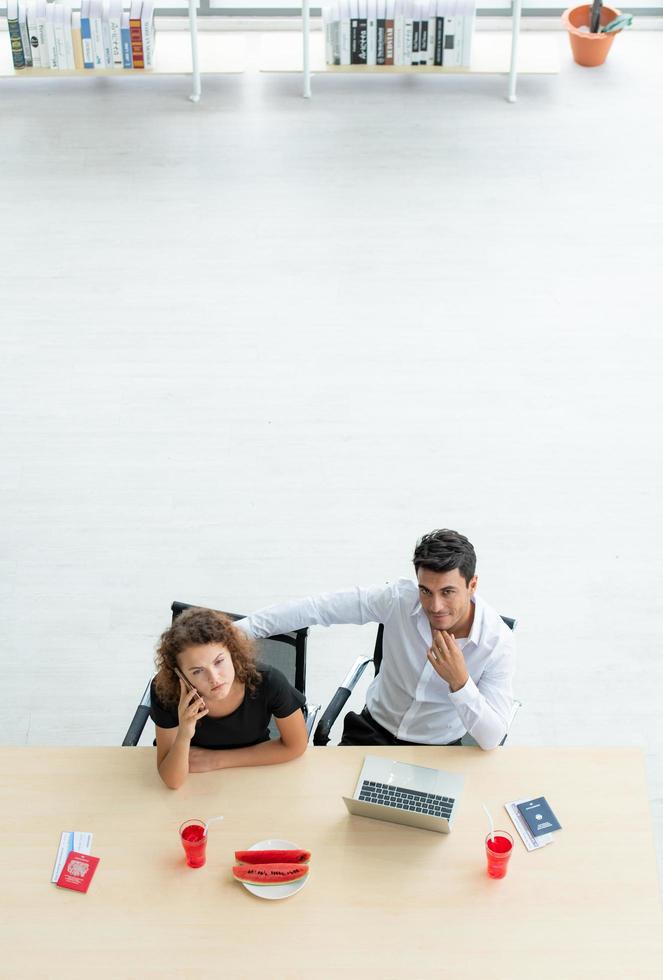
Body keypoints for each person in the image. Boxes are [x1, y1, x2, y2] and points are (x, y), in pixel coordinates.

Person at [235, 529, 515, 750]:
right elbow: (318, 608)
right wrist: (239, 630)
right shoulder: (398, 600)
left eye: (448, 592)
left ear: (472, 585)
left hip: (437, 749)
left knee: (415, 822)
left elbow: (491, 737)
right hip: (371, 731)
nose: (435, 606)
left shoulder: (496, 642)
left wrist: (460, 682)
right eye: (426, 591)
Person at [150, 607, 308, 789]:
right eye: (197, 671)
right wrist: (184, 735)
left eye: (219, 662)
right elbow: (173, 781)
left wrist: (216, 760)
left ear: (232, 652)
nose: (214, 678)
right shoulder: (167, 693)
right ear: (180, 675)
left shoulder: (268, 681)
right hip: (198, 782)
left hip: (254, 773)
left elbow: (296, 746)